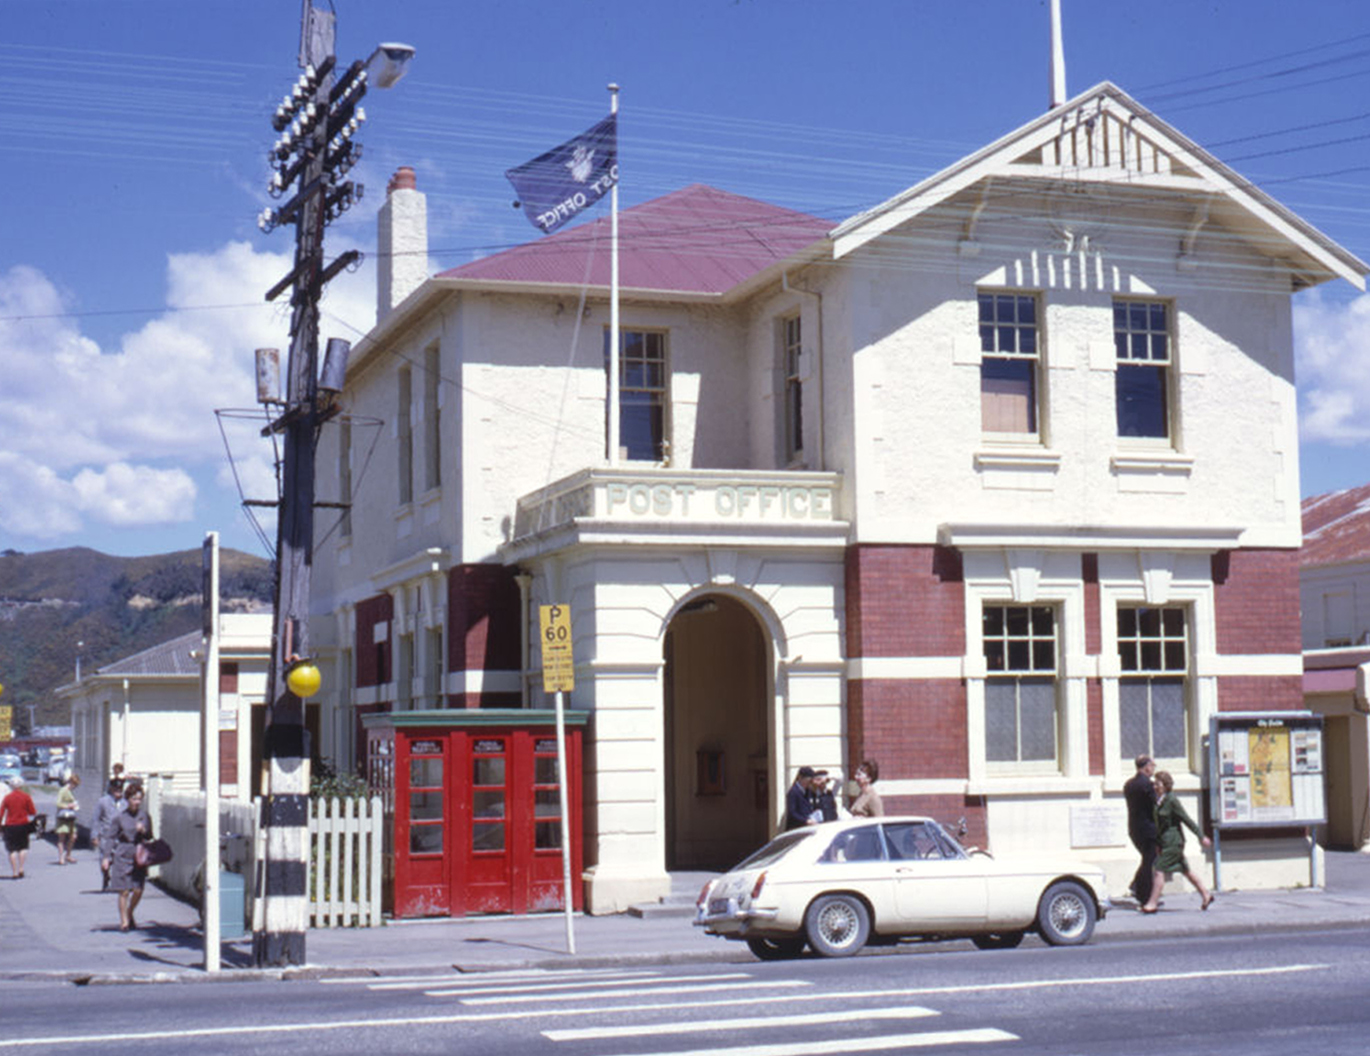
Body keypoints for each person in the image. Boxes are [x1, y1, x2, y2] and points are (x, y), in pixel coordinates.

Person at [1140, 770, 1214, 914]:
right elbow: (1159, 826)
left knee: (1158, 869)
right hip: (1165, 842)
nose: (1155, 786)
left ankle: (1152, 903)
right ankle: (1206, 895)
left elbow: (1186, 819)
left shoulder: (1172, 801)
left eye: (1158, 784)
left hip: (1174, 842)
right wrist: (1158, 844)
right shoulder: (1158, 801)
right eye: (1154, 784)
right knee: (1186, 871)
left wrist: (1201, 836)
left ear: (1166, 785)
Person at [105, 780, 152, 931]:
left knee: (138, 889)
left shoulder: (144, 816)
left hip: (139, 855)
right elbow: (111, 837)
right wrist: (106, 857)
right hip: (123, 854)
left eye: (139, 799)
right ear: (127, 799)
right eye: (134, 799)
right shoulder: (120, 817)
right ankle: (124, 921)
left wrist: (144, 830)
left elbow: (150, 836)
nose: (137, 802)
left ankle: (130, 912)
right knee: (124, 890)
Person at [1123, 754, 1158, 905]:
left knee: (1147, 859)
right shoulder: (1148, 785)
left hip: (1134, 828)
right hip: (1148, 829)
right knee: (1150, 861)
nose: (1153, 768)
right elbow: (1155, 805)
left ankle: (1136, 886)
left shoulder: (1129, 784)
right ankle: (1143, 895)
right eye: (1152, 765)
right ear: (1146, 767)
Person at [1, 775, 38, 879]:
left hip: (10, 825)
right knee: (23, 847)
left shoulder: (7, 798)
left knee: (12, 850)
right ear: (21, 785)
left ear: (11, 785)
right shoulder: (26, 797)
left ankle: (14, 872)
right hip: (23, 824)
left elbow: (1, 812)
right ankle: (21, 868)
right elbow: (32, 811)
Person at [92, 777, 124, 891]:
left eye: (120, 789)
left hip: (121, 836)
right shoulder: (103, 802)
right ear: (111, 789)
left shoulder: (125, 802)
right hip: (106, 835)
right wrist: (94, 835)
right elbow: (96, 819)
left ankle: (117, 883)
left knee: (119, 860)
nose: (118, 791)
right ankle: (106, 877)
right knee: (104, 859)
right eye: (116, 789)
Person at [54, 772, 81, 865]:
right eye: (74, 784)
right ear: (70, 782)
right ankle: (61, 857)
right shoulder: (63, 790)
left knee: (73, 836)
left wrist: (75, 806)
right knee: (62, 837)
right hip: (63, 816)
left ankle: (68, 854)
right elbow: (58, 803)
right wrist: (68, 806)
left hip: (71, 817)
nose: (74, 787)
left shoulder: (70, 791)